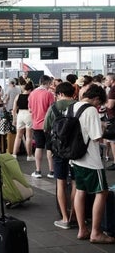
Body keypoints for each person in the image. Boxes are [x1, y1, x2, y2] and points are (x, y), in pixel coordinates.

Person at [71, 84, 115, 244]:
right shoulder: (90, 110)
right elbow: (96, 137)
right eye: (99, 103)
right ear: (96, 98)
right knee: (102, 192)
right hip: (91, 159)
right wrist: (103, 127)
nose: (98, 106)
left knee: (81, 190)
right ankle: (96, 232)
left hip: (75, 157)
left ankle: (82, 229)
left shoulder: (73, 106)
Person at [43, 82, 77, 229]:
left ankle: (64, 219)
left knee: (61, 183)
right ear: (73, 93)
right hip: (76, 150)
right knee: (76, 183)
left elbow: (46, 127)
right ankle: (75, 215)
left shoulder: (54, 108)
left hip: (59, 150)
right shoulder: (79, 106)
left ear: (60, 94)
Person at [28, 75, 55, 178]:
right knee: (49, 148)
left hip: (36, 124)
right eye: (50, 84)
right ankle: (51, 171)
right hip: (48, 125)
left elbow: (30, 109)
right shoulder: (49, 94)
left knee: (39, 147)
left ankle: (38, 171)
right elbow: (52, 110)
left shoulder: (32, 94)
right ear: (47, 83)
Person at [12, 82, 35, 161]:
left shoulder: (18, 96)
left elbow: (14, 109)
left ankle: (14, 154)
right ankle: (29, 155)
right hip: (28, 114)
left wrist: (14, 119)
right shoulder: (31, 96)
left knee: (18, 136)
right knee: (29, 137)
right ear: (30, 90)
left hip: (20, 115)